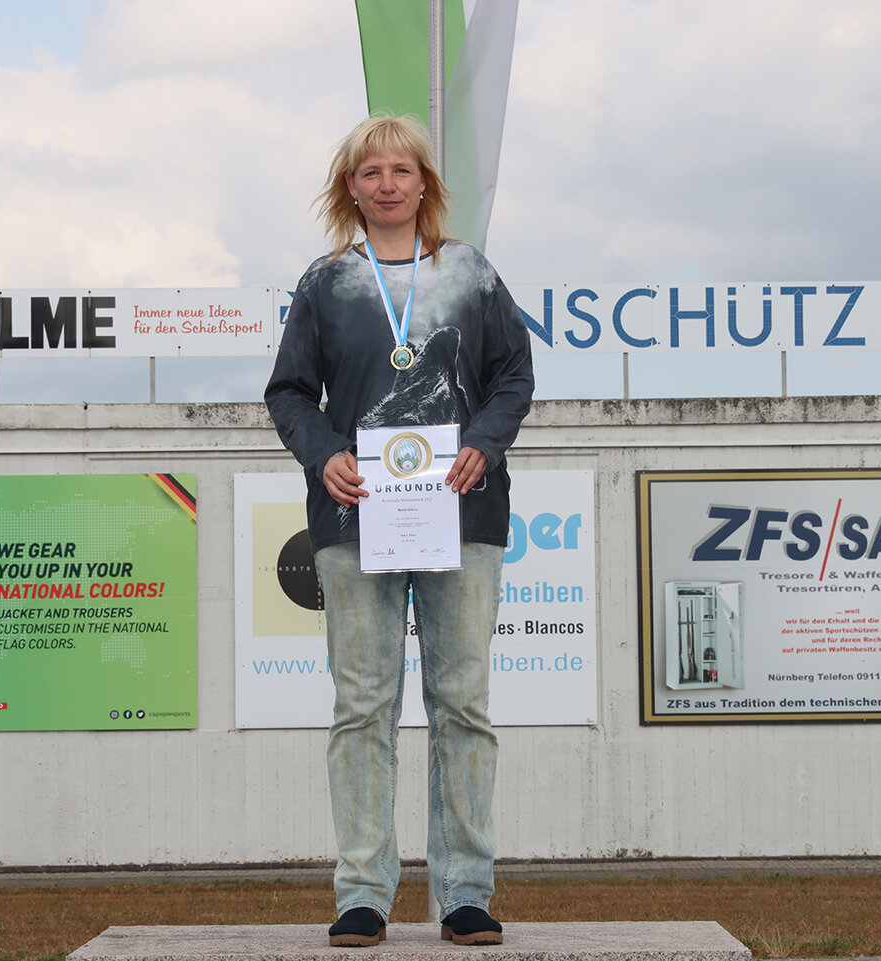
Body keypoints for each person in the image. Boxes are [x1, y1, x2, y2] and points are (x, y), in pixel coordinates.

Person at [264, 115, 534, 947]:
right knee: (362, 705)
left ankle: (465, 891)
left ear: (425, 184)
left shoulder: (471, 273)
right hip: (355, 518)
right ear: (351, 186)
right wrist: (324, 455)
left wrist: (485, 442)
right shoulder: (325, 283)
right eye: (371, 171)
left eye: (401, 170)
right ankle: (362, 893)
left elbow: (514, 375)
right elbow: (288, 392)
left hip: (462, 511)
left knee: (462, 702)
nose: (387, 184)